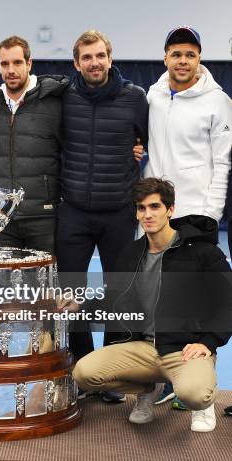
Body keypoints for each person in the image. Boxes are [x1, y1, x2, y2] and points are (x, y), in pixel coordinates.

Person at [72, 177, 232, 432]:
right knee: (83, 373)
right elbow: (112, 297)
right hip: (143, 348)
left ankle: (204, 402)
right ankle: (146, 390)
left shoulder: (202, 252)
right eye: (141, 208)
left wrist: (208, 342)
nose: (147, 214)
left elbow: (227, 301)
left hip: (184, 349)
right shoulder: (131, 253)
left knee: (194, 394)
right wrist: (78, 307)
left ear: (170, 210)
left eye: (155, 207)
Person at [56, 30, 148, 402]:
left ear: (110, 57)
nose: (94, 63)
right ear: (76, 63)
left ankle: (109, 376)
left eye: (100, 56)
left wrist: (138, 153)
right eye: (87, 57)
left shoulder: (135, 98)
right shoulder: (64, 96)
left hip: (119, 213)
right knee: (70, 293)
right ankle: (83, 369)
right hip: (73, 211)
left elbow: (153, 144)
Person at [144, 26, 232, 409]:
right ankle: (163, 380)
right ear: (165, 58)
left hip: (198, 217)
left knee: (198, 307)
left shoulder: (218, 101)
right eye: (176, 53)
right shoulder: (155, 95)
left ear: (199, 59)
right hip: (161, 216)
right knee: (159, 300)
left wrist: (210, 214)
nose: (182, 60)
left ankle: (201, 389)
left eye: (190, 55)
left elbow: (223, 161)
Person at [0, 35, 68, 253]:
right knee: (1, 287)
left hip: (44, 218)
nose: (11, 69)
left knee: (44, 286)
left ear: (29, 64)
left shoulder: (54, 102)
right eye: (5, 64)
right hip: (1, 218)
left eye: (17, 62)